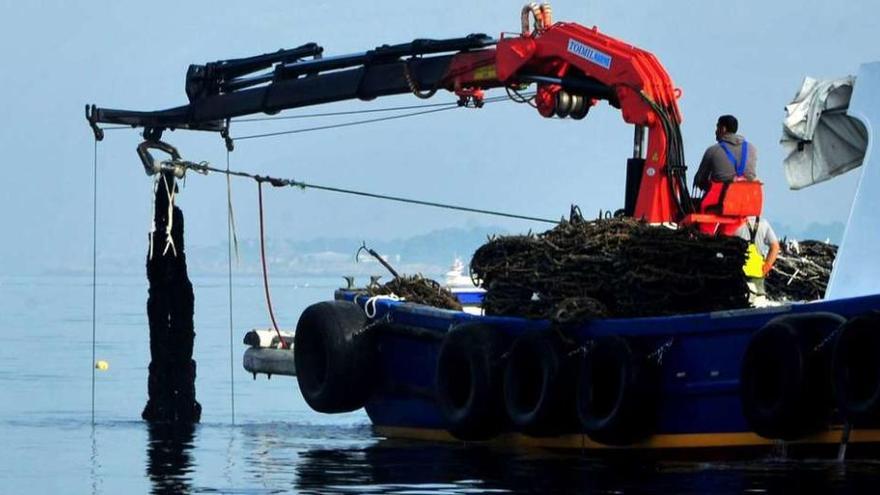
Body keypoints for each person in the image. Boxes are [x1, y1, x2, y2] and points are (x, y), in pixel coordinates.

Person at [693, 115, 758, 192]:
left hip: (722, 201)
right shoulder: (752, 148)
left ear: (723, 129)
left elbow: (699, 180)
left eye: (717, 127)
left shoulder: (713, 150)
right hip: (749, 200)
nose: (715, 131)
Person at [736, 216, 780, 299]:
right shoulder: (763, 223)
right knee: (758, 302)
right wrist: (767, 266)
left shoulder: (733, 224)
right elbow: (775, 247)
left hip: (739, 273)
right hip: (758, 273)